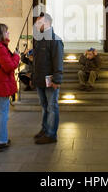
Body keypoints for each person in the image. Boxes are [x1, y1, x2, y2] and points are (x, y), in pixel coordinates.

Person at [32, 12, 64, 145]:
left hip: (50, 80)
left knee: (52, 106)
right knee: (44, 106)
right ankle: (45, 129)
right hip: (40, 79)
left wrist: (57, 80)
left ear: (47, 23)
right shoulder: (39, 40)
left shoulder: (55, 40)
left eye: (38, 22)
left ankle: (51, 134)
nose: (35, 25)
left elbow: (58, 62)